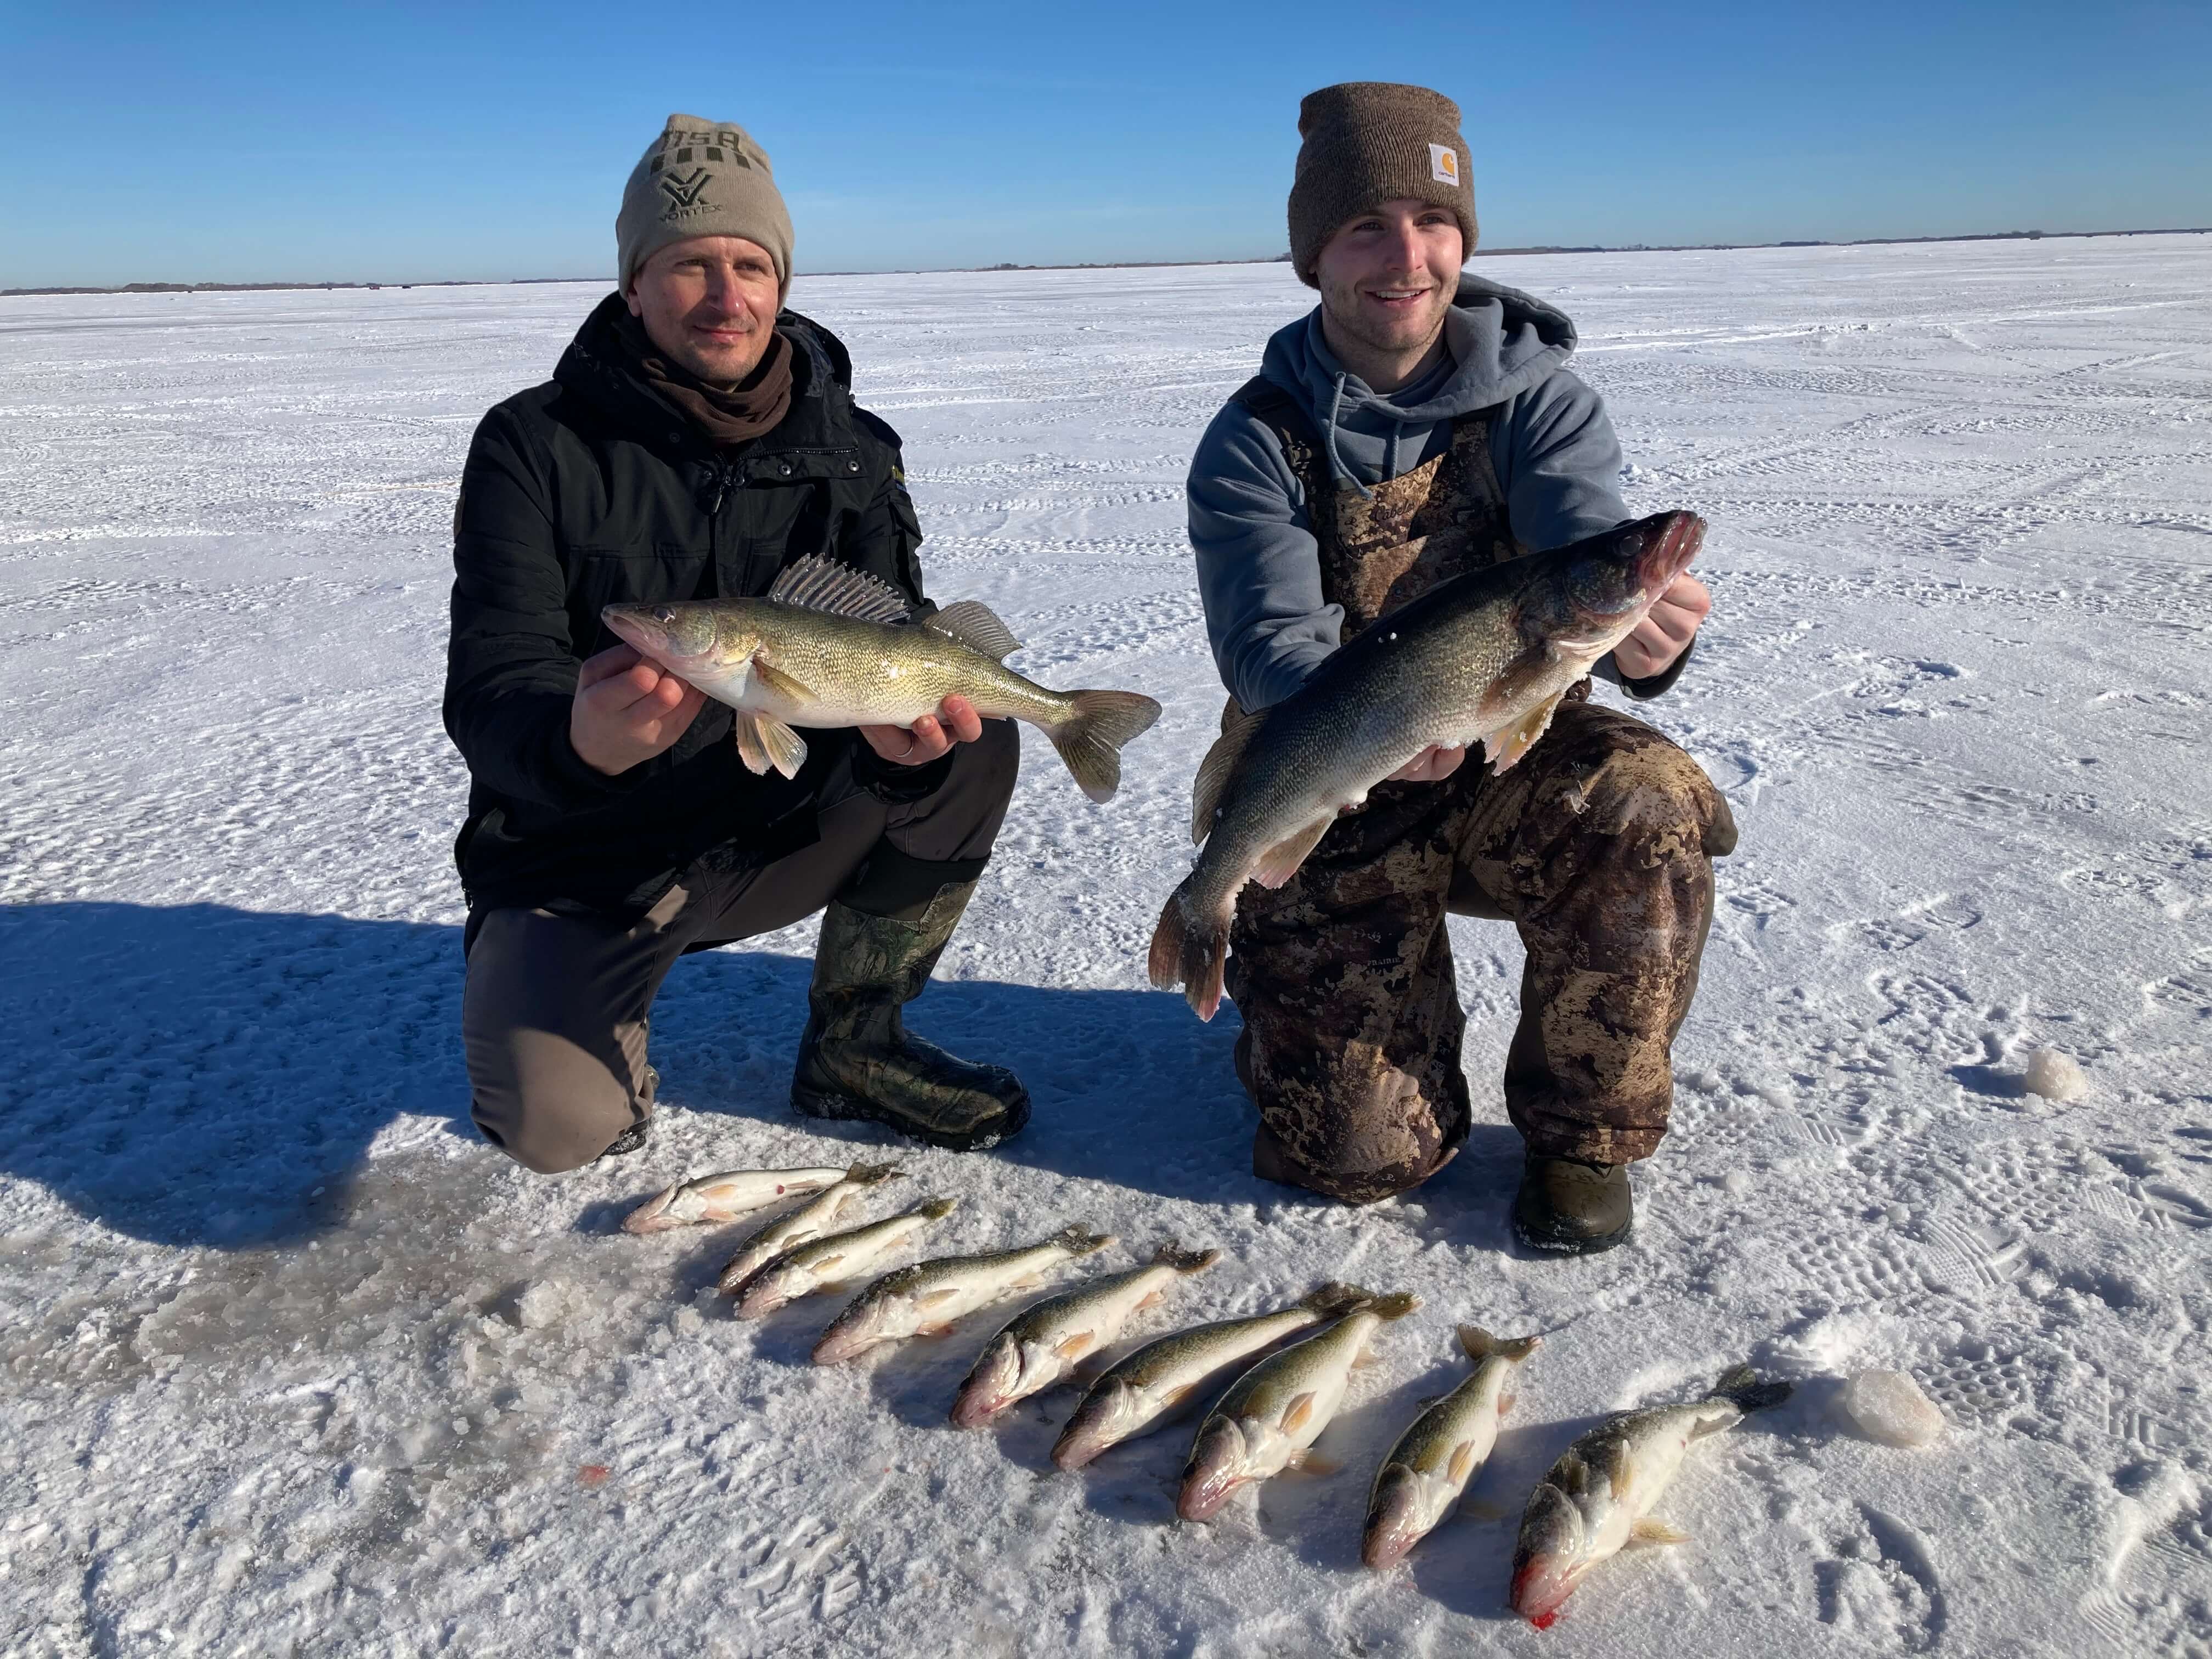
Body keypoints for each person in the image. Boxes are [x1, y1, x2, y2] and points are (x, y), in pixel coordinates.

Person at [1184, 83, 1737, 1254]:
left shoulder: (1540, 399)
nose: (1407, 256)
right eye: (1365, 228)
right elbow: (1267, 642)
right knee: (1353, 1158)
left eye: (1434, 223)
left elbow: (1579, 537)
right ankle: (1283, 980)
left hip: (1509, 749)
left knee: (1645, 797)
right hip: (1336, 772)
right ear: (1315, 255)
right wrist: (1385, 726)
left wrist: (1644, 631)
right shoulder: (1256, 439)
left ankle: (1583, 1136)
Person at [445, 114, 1029, 1174]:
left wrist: (906, 745)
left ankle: (857, 1046)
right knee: (559, 1128)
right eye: (690, 266)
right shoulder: (532, 447)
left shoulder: (852, 453)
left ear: (782, 283)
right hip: (590, 853)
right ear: (634, 285)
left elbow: (896, 632)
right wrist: (579, 741)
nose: (727, 296)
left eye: (751, 265)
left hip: (778, 823)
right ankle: (556, 989)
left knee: (972, 736)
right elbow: (494, 684)